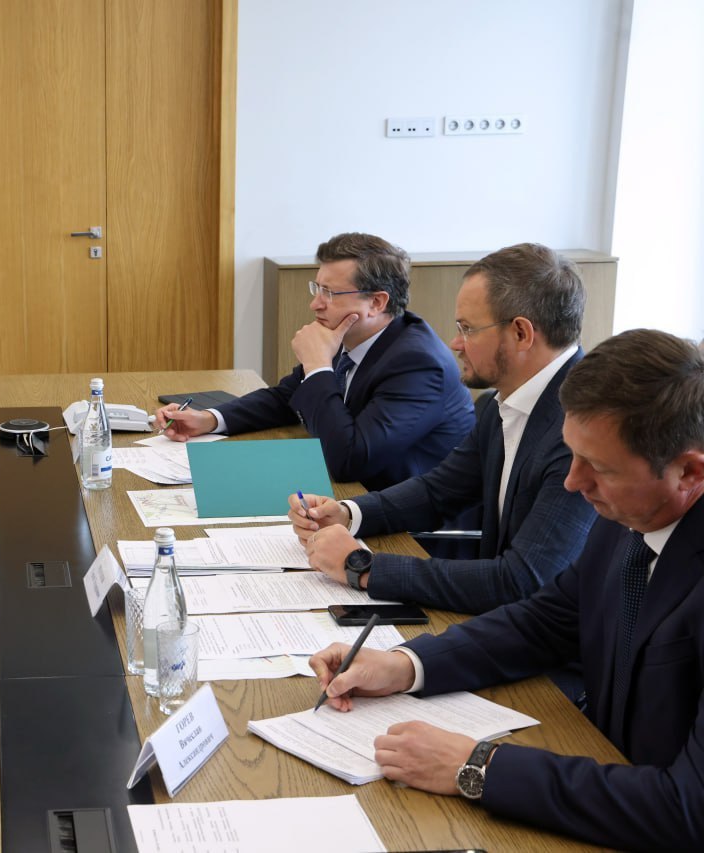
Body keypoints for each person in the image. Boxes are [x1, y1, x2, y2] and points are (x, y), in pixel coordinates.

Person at [308, 329, 704, 850]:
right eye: (572, 454)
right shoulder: (629, 514)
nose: (573, 482)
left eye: (599, 468)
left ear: (688, 472)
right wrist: (405, 665)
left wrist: (478, 766)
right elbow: (546, 621)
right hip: (601, 774)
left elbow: (685, 809)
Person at [291, 243, 596, 614]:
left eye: (468, 329)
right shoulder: (506, 400)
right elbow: (439, 491)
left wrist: (363, 566)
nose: (455, 343)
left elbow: (520, 581)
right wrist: (349, 513)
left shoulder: (580, 431)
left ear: (521, 333)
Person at [153, 233, 473, 490]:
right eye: (317, 289)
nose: (315, 304)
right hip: (347, 495)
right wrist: (209, 419)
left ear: (376, 302)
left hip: (403, 526)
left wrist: (319, 366)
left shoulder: (418, 364)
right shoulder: (348, 334)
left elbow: (350, 461)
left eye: (330, 293)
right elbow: (286, 398)